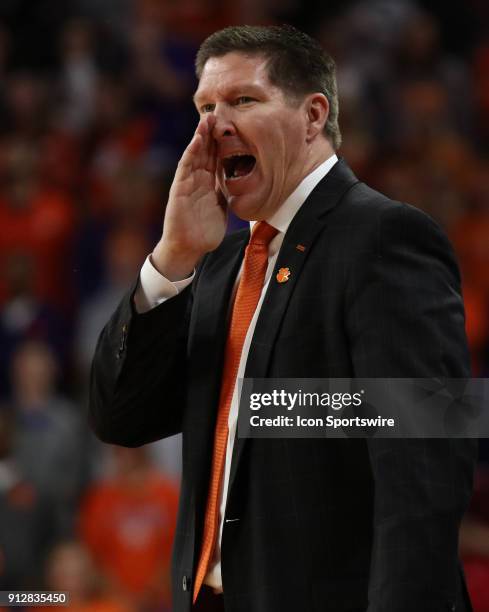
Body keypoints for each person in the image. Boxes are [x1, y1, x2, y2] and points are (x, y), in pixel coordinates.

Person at [89, 25, 476, 612]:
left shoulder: (384, 237)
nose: (215, 123)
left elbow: (425, 466)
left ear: (313, 115)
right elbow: (121, 418)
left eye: (243, 100)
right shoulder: (217, 266)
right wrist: (171, 259)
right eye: (204, 106)